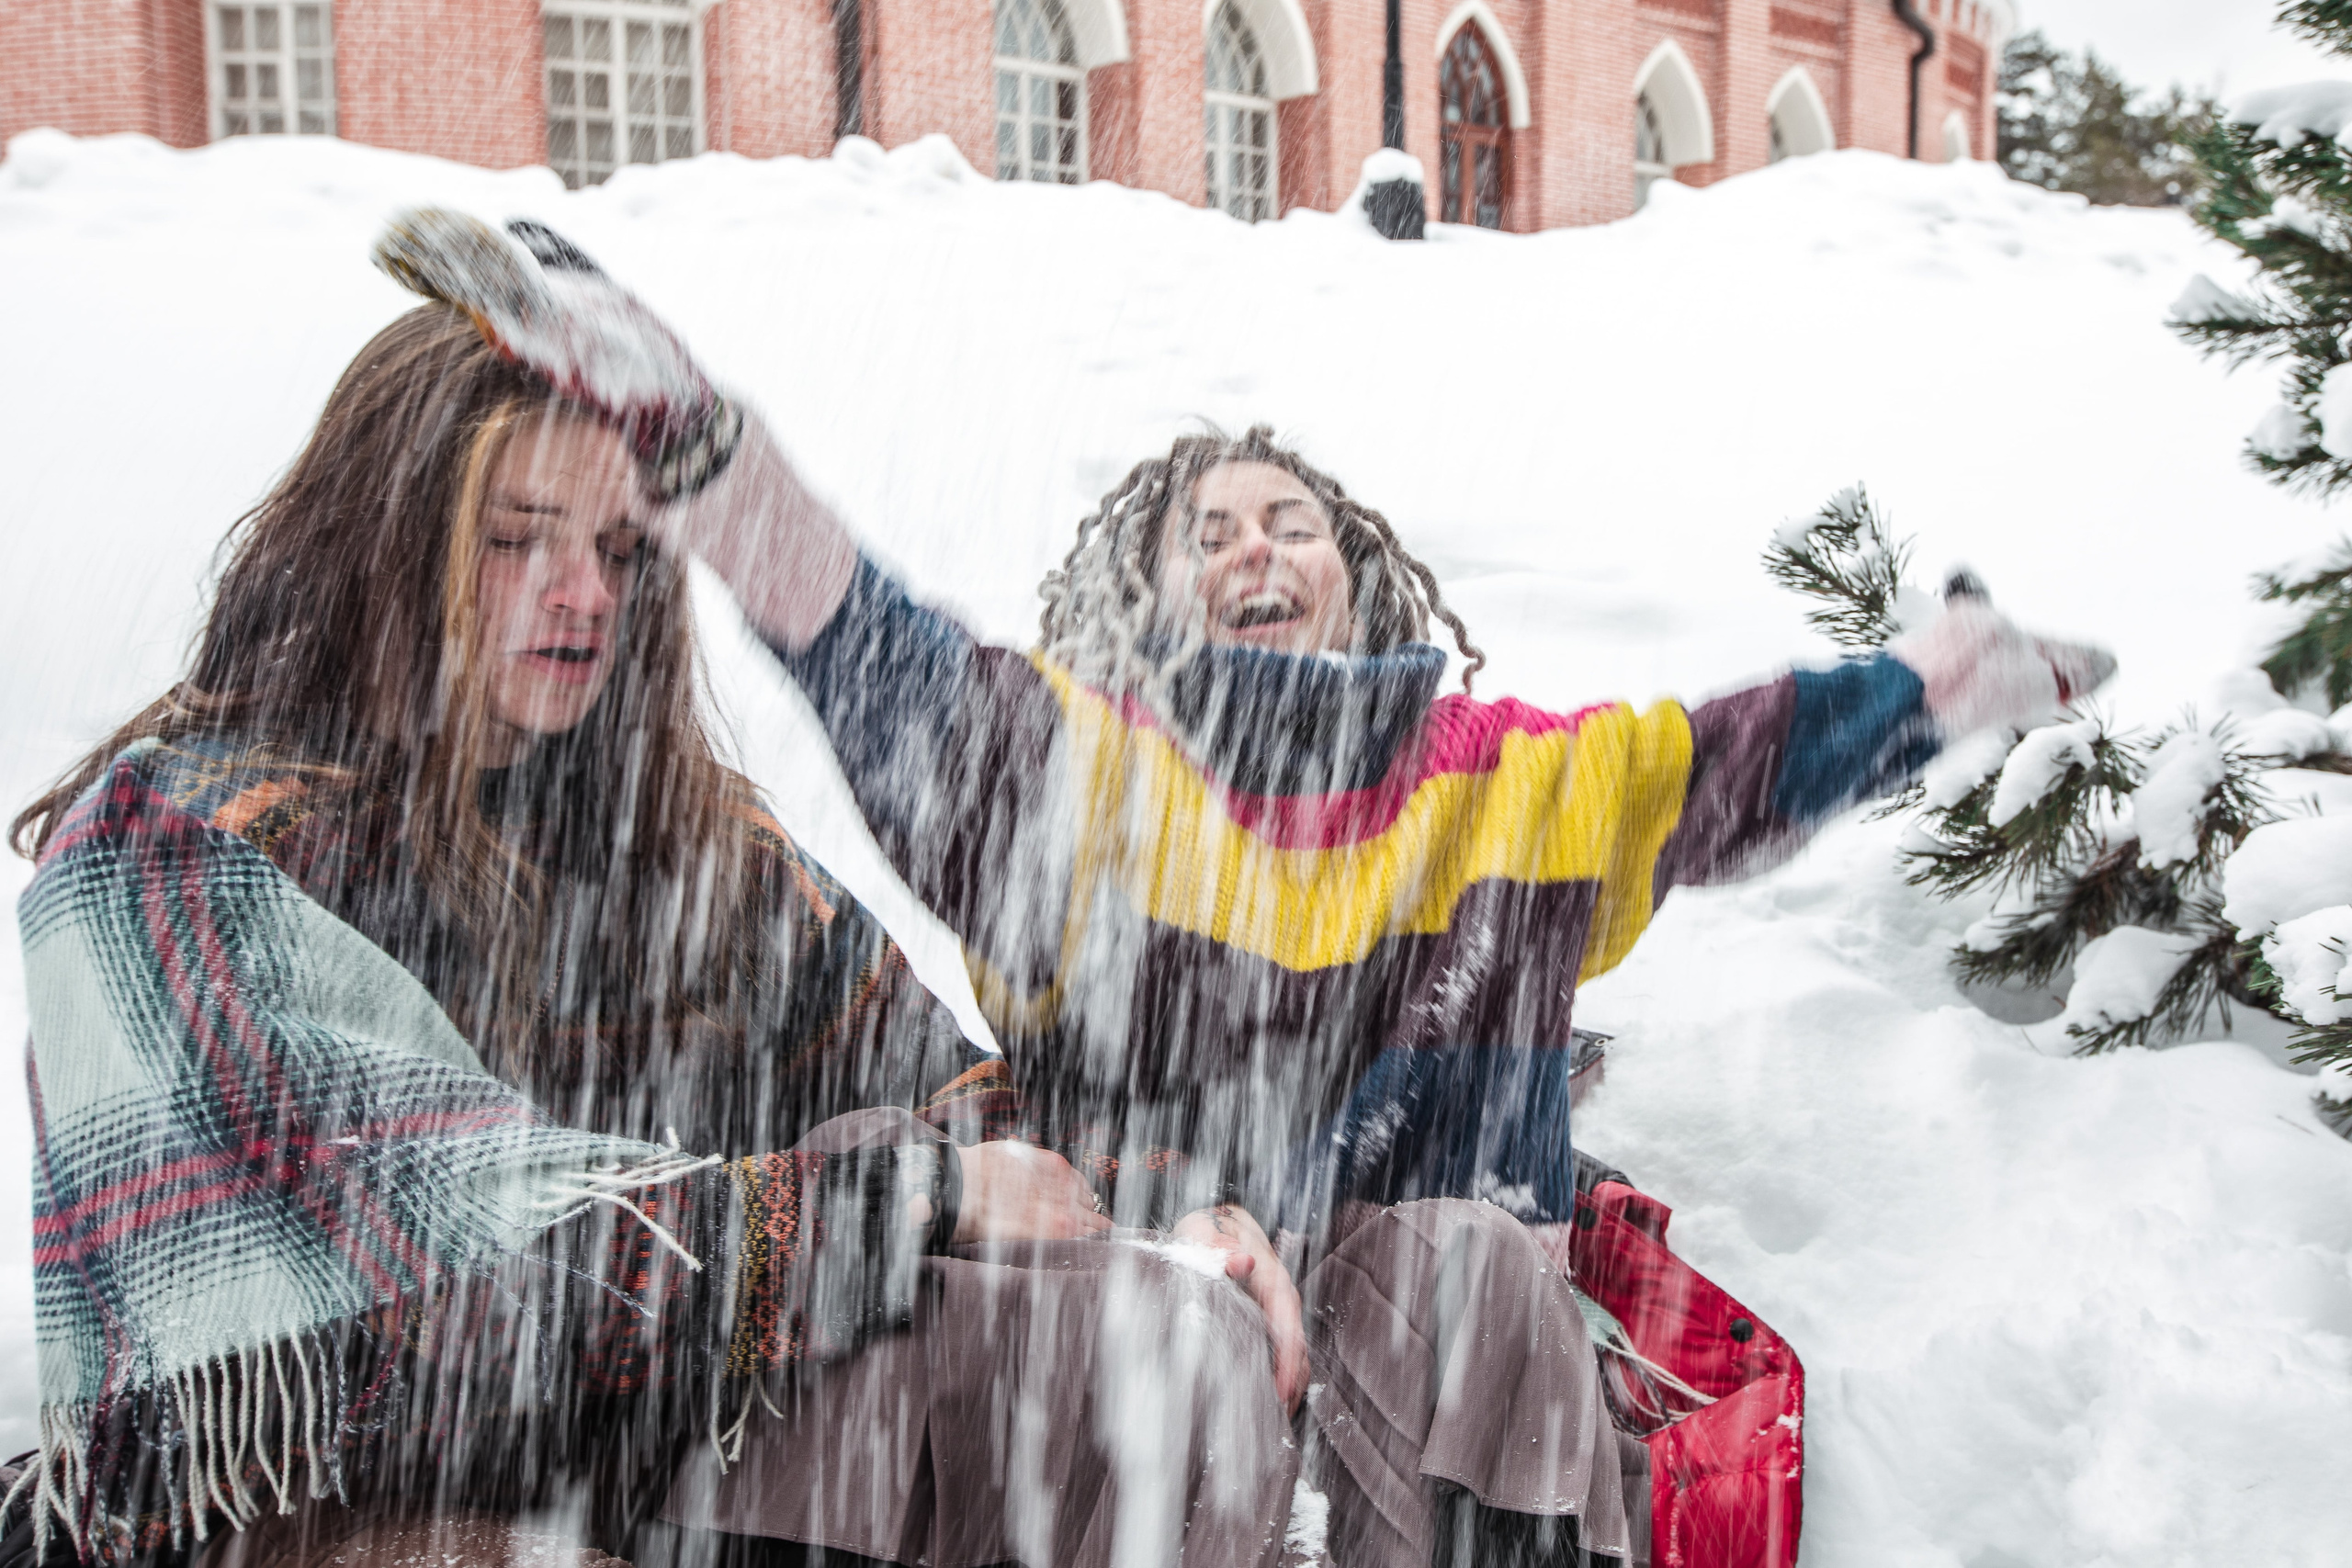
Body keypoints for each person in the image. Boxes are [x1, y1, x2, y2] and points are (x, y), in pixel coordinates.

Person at [349, 211, 2113, 1568]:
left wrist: (1924, 690)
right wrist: (698, 449)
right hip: (1161, 1351)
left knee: (1481, 1275)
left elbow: (1731, 762)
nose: (1255, 544)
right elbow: (867, 653)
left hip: (1418, 1380)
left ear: (1362, 578)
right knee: (1163, 1343)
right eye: (1209, 531)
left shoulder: (1516, 785)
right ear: (1161, 604)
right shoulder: (1086, 778)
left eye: (1291, 522)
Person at [9, 287, 1293, 1568]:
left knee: (1148, 1349)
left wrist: (1173, 1225)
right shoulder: (179, 853)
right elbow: (434, 1310)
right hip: (297, 1513)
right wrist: (903, 1202)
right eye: (518, 539)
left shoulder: (678, 844)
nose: (583, 595)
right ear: (388, 540)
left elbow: (956, 1104)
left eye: (621, 552)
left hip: (646, 1462)